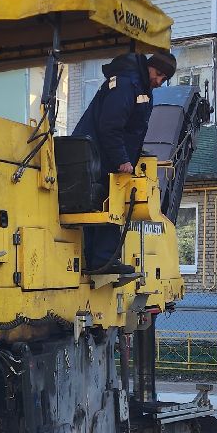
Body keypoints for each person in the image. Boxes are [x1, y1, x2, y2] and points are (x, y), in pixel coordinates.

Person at [70, 49, 177, 274]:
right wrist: (122, 160)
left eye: (164, 78)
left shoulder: (139, 87)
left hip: (97, 154)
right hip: (99, 154)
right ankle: (103, 260)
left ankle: (98, 259)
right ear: (149, 66)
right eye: (158, 74)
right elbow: (110, 126)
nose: (159, 81)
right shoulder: (127, 85)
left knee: (99, 205)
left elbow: (130, 129)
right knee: (111, 204)